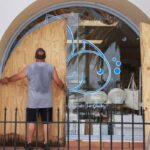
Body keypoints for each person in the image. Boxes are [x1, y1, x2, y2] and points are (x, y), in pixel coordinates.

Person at [0, 48, 66, 150]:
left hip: (33, 102)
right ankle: (46, 143)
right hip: (46, 101)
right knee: (46, 122)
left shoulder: (29, 68)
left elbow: (17, 76)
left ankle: (28, 143)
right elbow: (57, 81)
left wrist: (7, 80)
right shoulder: (51, 67)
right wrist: (63, 87)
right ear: (45, 57)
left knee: (31, 122)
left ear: (35, 57)